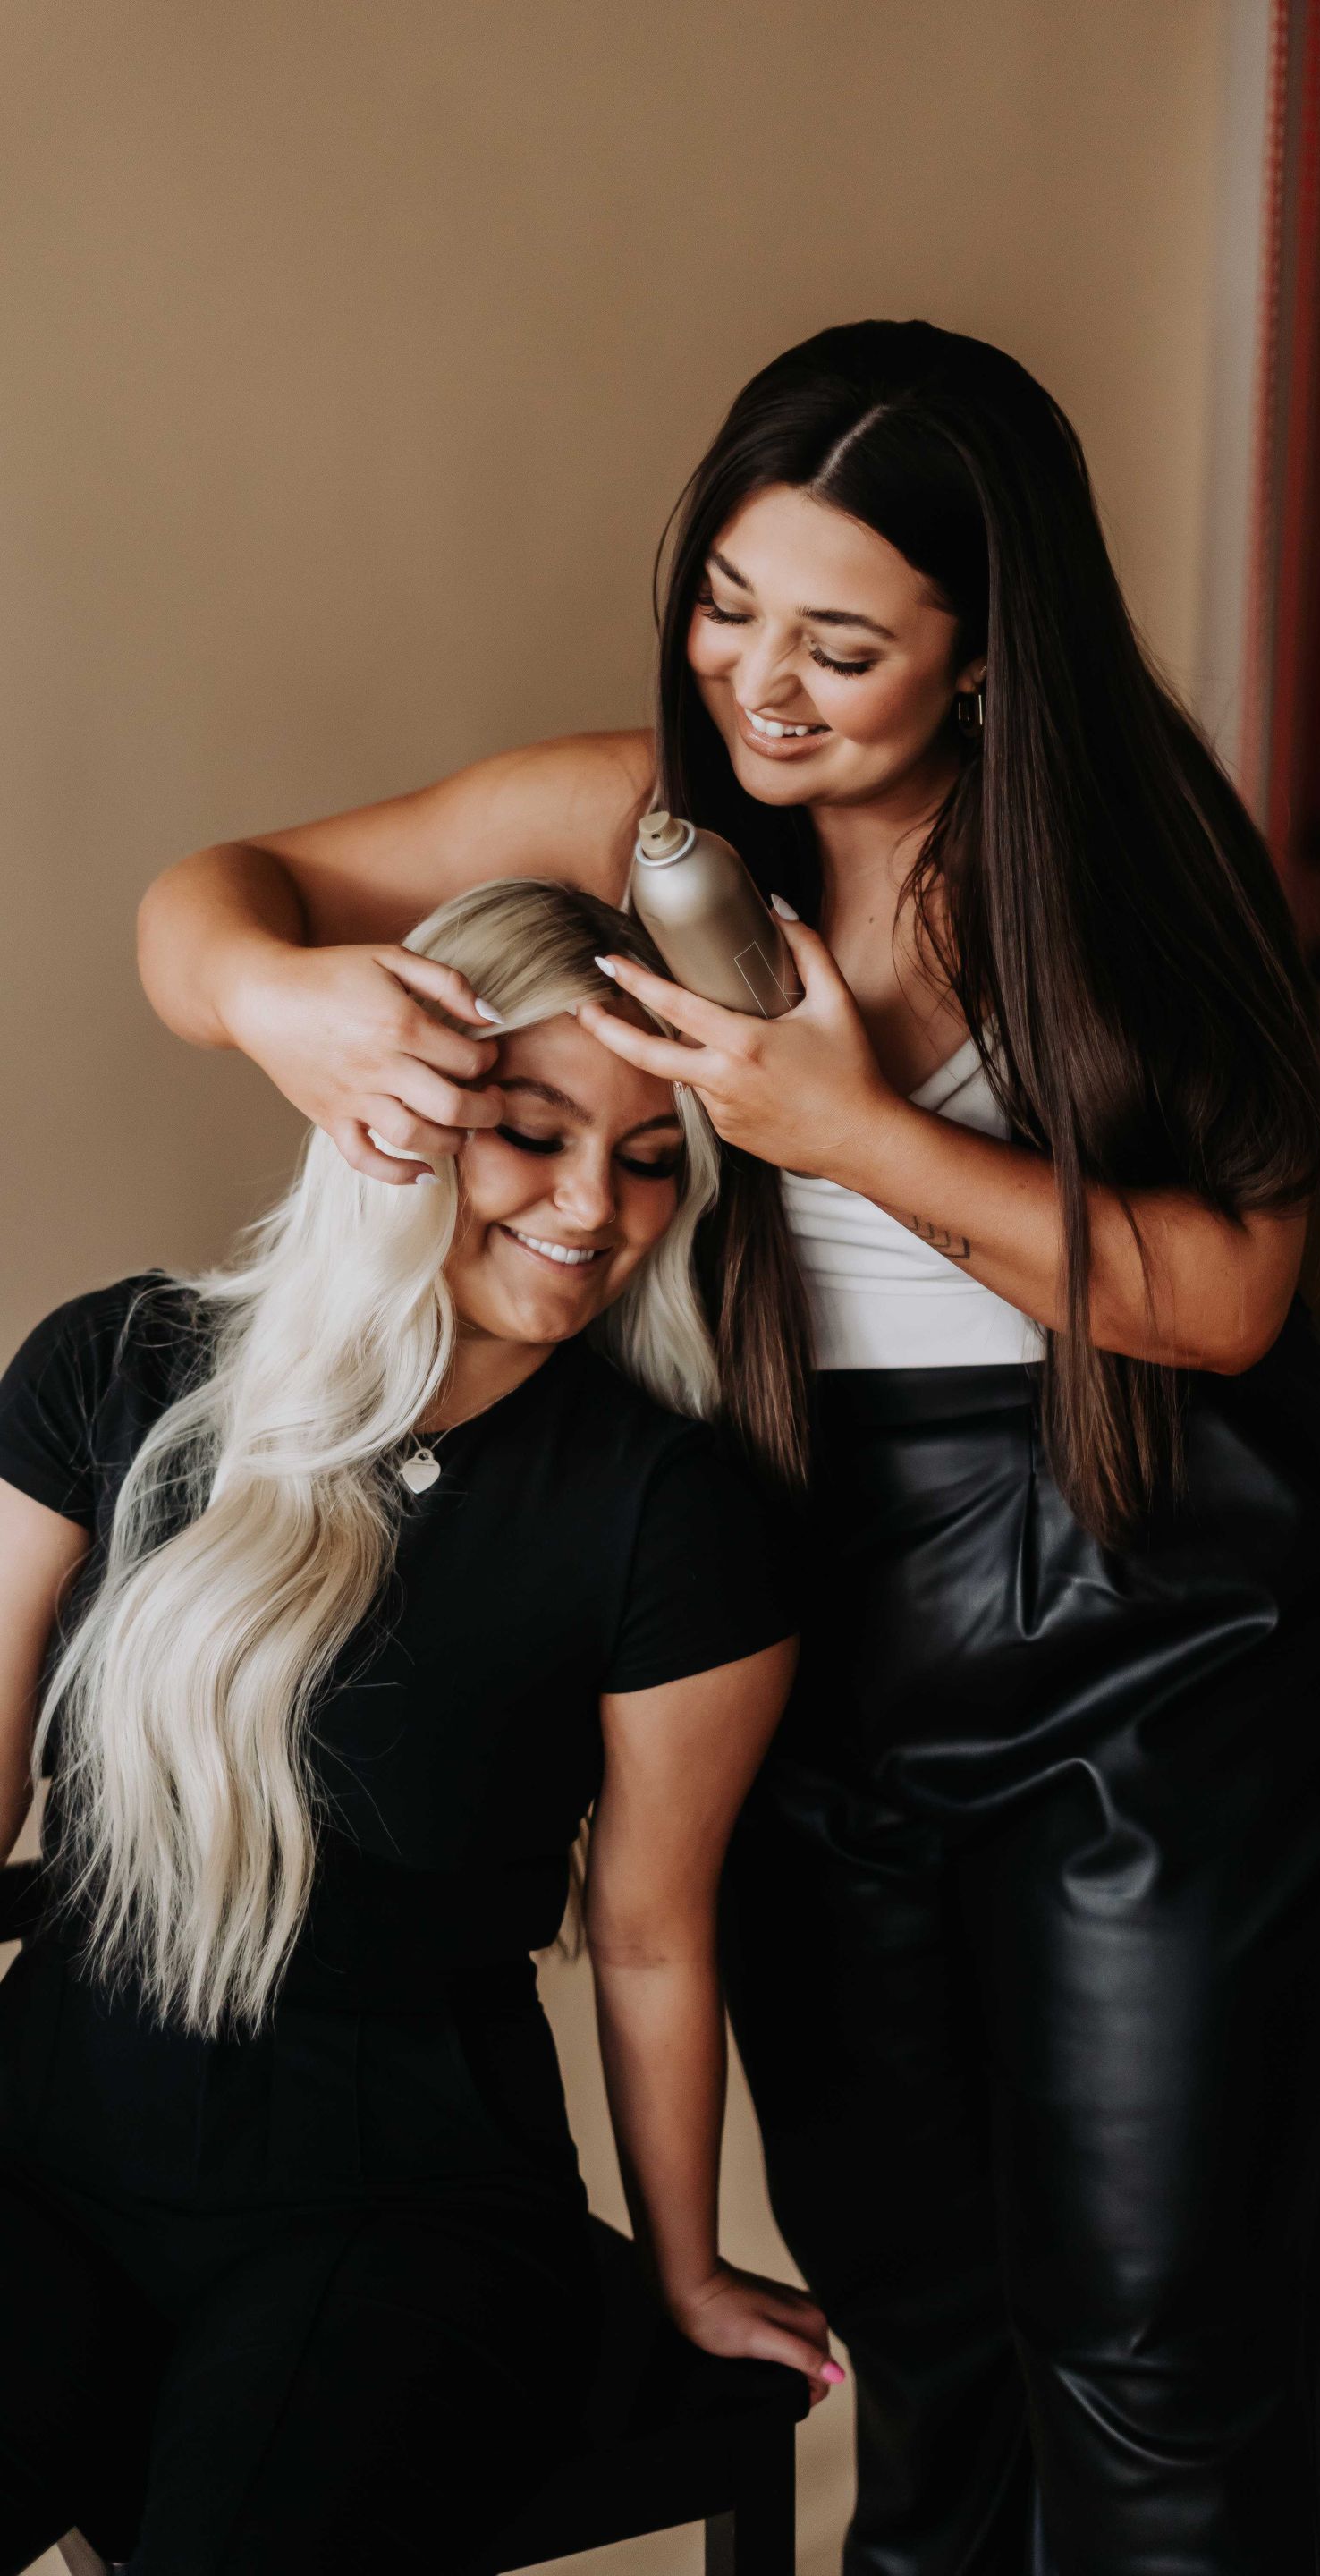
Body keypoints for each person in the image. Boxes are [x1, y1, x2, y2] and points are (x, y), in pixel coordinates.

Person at [135, 321, 1320, 2575]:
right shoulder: (633, 816)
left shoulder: (1122, 856)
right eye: (730, 607)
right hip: (805, 1577)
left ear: (990, 651)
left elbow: (1226, 1295)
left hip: (1168, 1595)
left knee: (1151, 2321)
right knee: (914, 2298)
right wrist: (276, 994)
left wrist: (851, 1132)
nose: (761, 685)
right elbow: (208, 897)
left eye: (843, 645)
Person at [0, 879, 838, 2576]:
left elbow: (651, 1932)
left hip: (398, 2213)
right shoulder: (117, 1366)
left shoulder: (667, 1513)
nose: (596, 1206)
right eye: (531, 1133)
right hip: (42, 2153)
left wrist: (684, 2265)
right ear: (391, 1112)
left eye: (654, 1157)